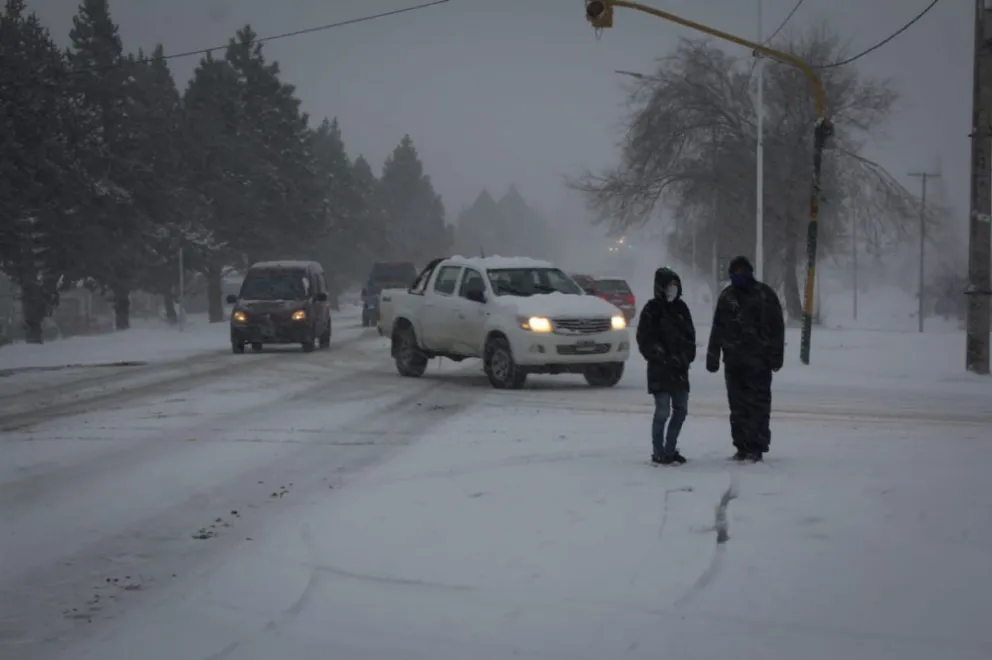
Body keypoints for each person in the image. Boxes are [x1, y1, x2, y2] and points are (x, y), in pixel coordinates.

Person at [705, 255, 785, 462]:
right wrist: (713, 355)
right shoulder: (727, 297)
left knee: (758, 406)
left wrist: (776, 356)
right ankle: (741, 445)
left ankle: (756, 446)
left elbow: (777, 327)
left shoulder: (764, 295)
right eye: (735, 273)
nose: (738, 276)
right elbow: (718, 328)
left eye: (742, 272)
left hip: (759, 362)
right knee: (738, 407)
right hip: (734, 362)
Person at [636, 267, 696, 466]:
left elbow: (690, 338)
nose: (673, 289)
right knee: (662, 411)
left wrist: (685, 357)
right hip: (660, 371)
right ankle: (659, 451)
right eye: (669, 285)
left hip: (679, 370)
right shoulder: (651, 310)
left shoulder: (682, 309)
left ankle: (670, 448)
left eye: (675, 285)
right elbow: (644, 339)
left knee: (681, 410)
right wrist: (658, 354)